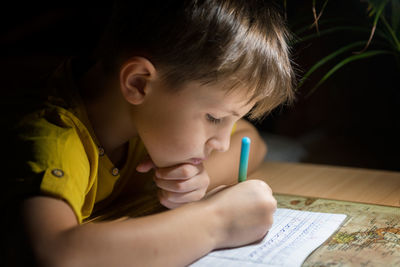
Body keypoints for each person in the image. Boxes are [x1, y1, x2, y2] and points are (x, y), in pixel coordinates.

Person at [4, 0, 295, 266]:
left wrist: (197, 181)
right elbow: (53, 253)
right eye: (214, 117)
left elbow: (252, 142)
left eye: (230, 119)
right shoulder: (55, 136)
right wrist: (217, 222)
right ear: (138, 83)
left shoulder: (150, 117)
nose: (220, 142)